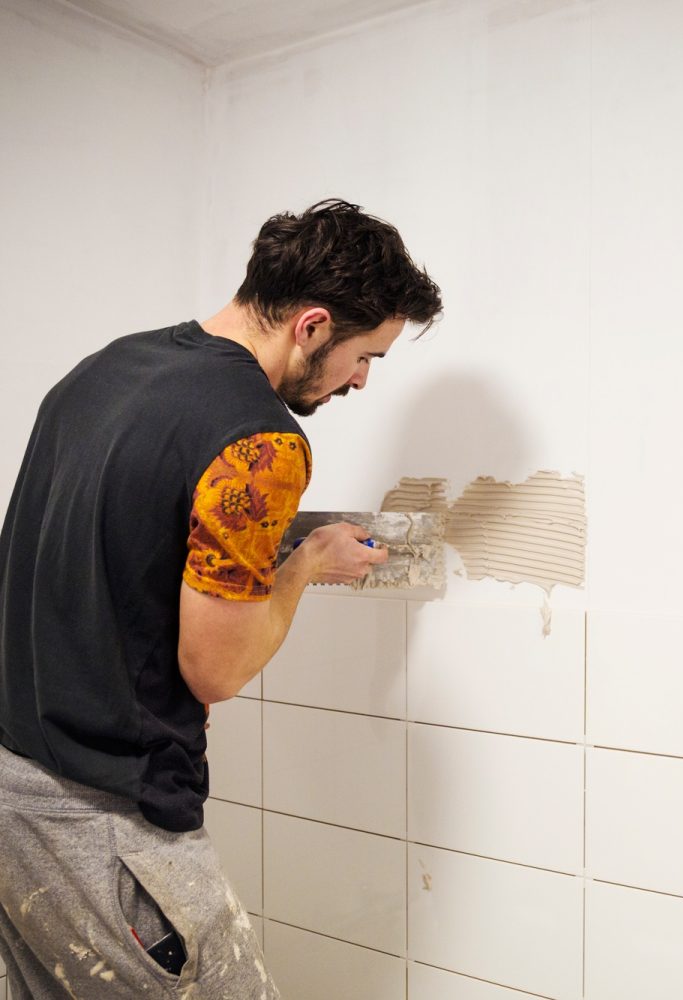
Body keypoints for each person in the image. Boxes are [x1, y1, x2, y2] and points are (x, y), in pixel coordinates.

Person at [0, 199, 441, 998]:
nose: (363, 380)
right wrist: (304, 563)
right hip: (103, 819)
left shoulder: (103, 370)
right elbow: (215, 671)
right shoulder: (258, 440)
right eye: (365, 354)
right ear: (311, 326)